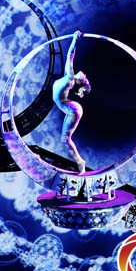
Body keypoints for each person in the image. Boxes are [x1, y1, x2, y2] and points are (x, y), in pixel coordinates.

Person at [52, 30, 91, 173]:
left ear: (80, 82)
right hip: (71, 109)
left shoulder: (69, 77)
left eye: (85, 77)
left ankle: (80, 163)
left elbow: (70, 55)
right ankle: (80, 162)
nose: (84, 73)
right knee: (64, 140)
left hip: (73, 110)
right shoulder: (67, 77)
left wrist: (75, 37)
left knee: (65, 139)